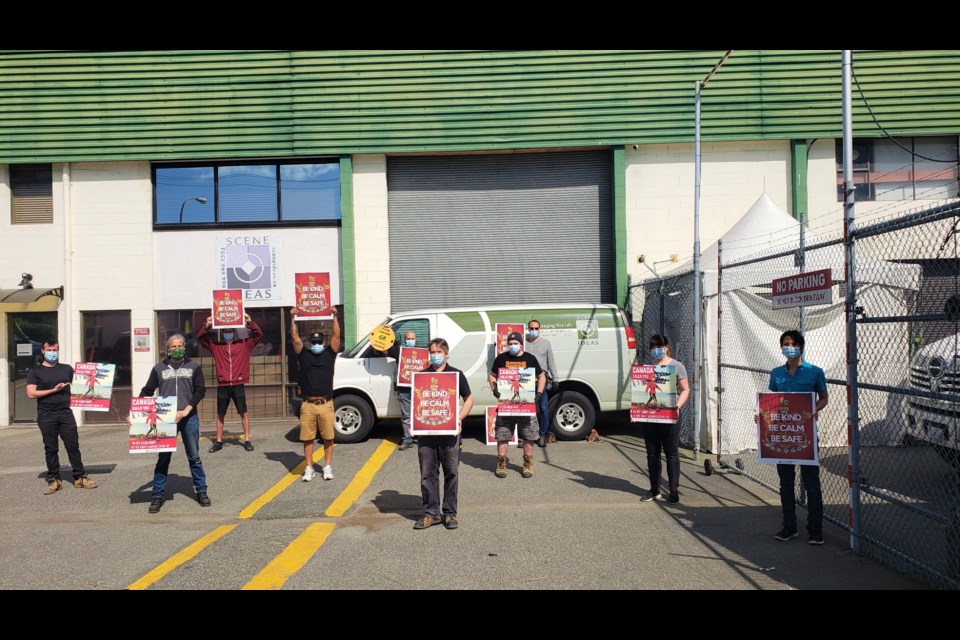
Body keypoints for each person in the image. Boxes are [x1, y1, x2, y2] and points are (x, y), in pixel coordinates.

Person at [128, 334, 209, 514]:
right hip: (165, 419)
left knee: (194, 456)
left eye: (180, 345)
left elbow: (200, 390)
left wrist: (187, 409)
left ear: (185, 347)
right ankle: (157, 495)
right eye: (173, 346)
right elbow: (147, 391)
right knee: (163, 458)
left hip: (188, 417)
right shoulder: (159, 368)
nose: (177, 348)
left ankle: (201, 491)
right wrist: (135, 415)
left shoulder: (194, 367)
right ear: (168, 349)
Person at [767, 330, 829, 545]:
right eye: (786, 343)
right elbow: (771, 402)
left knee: (811, 484)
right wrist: (762, 416)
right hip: (782, 436)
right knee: (786, 484)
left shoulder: (815, 372)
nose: (789, 346)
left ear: (801, 347)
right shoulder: (776, 374)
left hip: (806, 437)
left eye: (793, 343)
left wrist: (813, 410)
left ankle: (815, 529)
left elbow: (823, 398)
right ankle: (789, 526)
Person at [413, 338, 473, 530]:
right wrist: (412, 423)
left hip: (450, 433)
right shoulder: (421, 376)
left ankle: (449, 513)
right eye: (432, 352)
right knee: (427, 474)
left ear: (447, 354)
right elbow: (416, 403)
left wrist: (459, 419)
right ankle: (431, 513)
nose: (436, 355)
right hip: (426, 434)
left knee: (451, 472)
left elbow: (469, 399)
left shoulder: (456, 375)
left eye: (439, 352)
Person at [25, 339, 99, 495]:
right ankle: (54, 479)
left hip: (65, 413)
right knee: (51, 448)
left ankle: (80, 477)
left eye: (55, 350)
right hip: (46, 414)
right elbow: (31, 393)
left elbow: (83, 386)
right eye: (50, 350)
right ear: (43, 352)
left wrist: (98, 391)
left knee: (73, 446)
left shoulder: (67, 369)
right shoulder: (35, 371)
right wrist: (54, 390)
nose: (53, 353)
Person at [197, 312, 264, 452]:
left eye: (230, 331)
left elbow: (258, 335)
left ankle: (247, 440)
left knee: (243, 413)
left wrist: (249, 322)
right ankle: (219, 441)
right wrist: (207, 326)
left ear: (234, 332)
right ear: (222, 333)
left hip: (238, 384)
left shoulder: (244, 345)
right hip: (223, 384)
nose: (228, 333)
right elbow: (201, 338)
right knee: (220, 414)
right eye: (225, 331)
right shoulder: (216, 346)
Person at [638, 334, 689, 505]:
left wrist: (677, 407)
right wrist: (637, 411)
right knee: (652, 453)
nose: (656, 350)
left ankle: (673, 490)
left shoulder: (677, 366)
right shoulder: (646, 367)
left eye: (659, 346)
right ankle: (655, 489)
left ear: (667, 347)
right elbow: (640, 390)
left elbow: (685, 389)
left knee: (671, 453)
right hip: (651, 416)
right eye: (653, 347)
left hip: (670, 415)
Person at [291, 305, 341, 481]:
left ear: (324, 342)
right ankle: (309, 467)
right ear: (310, 342)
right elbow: (295, 338)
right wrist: (293, 318)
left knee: (328, 437)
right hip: (308, 405)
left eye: (320, 342)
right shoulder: (303, 355)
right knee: (307, 438)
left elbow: (336, 336)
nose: (317, 344)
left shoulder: (330, 354)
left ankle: (327, 466)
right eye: (314, 342)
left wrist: (334, 316)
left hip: (326, 404)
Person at [489, 331, 545, 479]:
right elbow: (492, 375)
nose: (513, 346)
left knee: (528, 434)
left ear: (521, 344)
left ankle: (527, 464)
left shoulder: (530, 358)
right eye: (510, 344)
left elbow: (541, 376)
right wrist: (494, 388)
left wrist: (539, 393)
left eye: (515, 343)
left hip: (526, 405)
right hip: (506, 405)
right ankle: (501, 463)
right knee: (503, 433)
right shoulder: (501, 358)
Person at [375, 330, 417, 451]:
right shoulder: (399, 351)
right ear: (405, 340)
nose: (410, 341)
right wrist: (386, 331)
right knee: (406, 416)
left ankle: (421, 437)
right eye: (408, 339)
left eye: (412, 338)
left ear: (416, 339)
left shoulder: (422, 352)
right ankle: (407, 439)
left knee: (420, 414)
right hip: (404, 389)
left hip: (419, 389)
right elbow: (384, 349)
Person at [524, 319, 558, 448]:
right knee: (526, 409)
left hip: (541, 380)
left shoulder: (546, 343)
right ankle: (526, 436)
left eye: (536, 328)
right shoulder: (523, 342)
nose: (534, 331)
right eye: (531, 328)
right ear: (528, 329)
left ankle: (542, 435)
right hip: (525, 379)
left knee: (544, 408)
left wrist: (556, 378)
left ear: (540, 329)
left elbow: (551, 362)